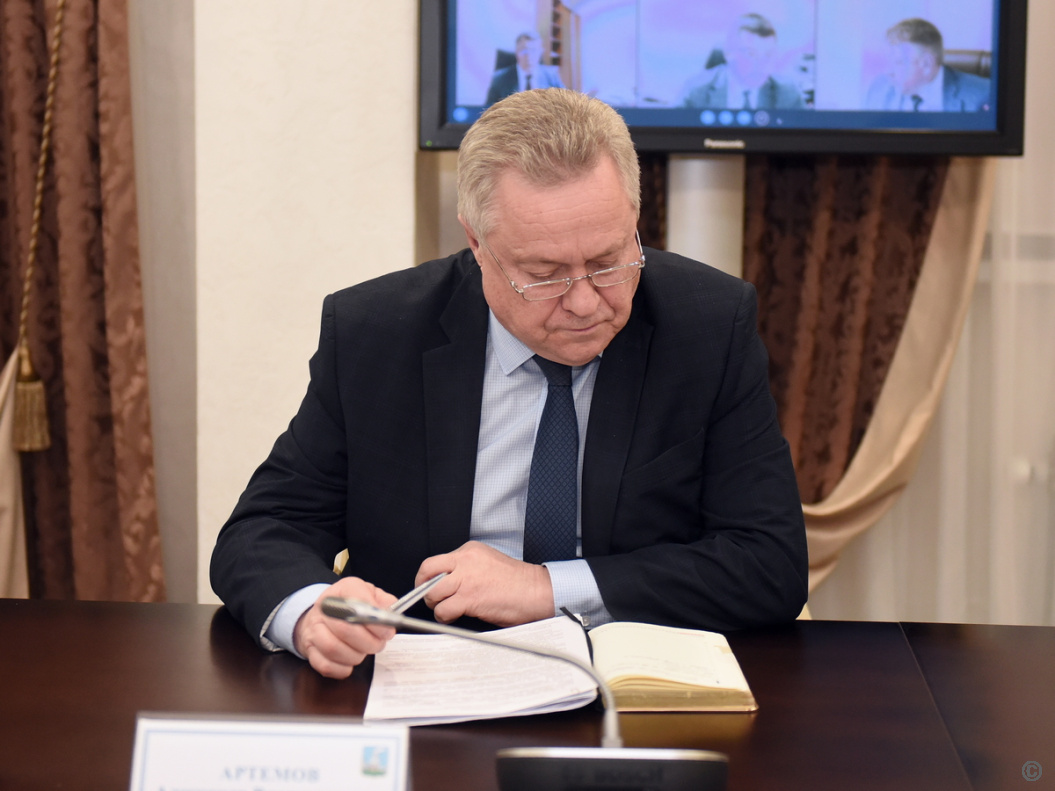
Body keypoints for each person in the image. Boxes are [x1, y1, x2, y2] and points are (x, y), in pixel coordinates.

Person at [210, 88, 808, 679]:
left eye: (608, 262)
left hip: (627, 680)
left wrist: (545, 588)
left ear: (634, 219)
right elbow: (266, 528)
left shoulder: (707, 325)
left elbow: (769, 564)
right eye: (544, 274)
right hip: (422, 676)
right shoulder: (377, 333)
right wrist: (311, 612)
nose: (584, 302)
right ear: (477, 243)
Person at [681, 13, 804, 110]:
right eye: (751, 54)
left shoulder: (788, 94)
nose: (762, 64)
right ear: (728, 53)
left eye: (768, 55)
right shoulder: (697, 90)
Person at [865, 18, 991, 112]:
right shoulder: (878, 89)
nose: (888, 72)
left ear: (926, 64)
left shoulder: (983, 97)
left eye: (898, 62)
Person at [485, 32, 564, 106]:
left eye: (533, 50)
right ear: (517, 52)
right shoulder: (500, 79)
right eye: (524, 50)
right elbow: (489, 110)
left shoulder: (551, 75)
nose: (529, 55)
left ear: (540, 52)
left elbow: (565, 103)